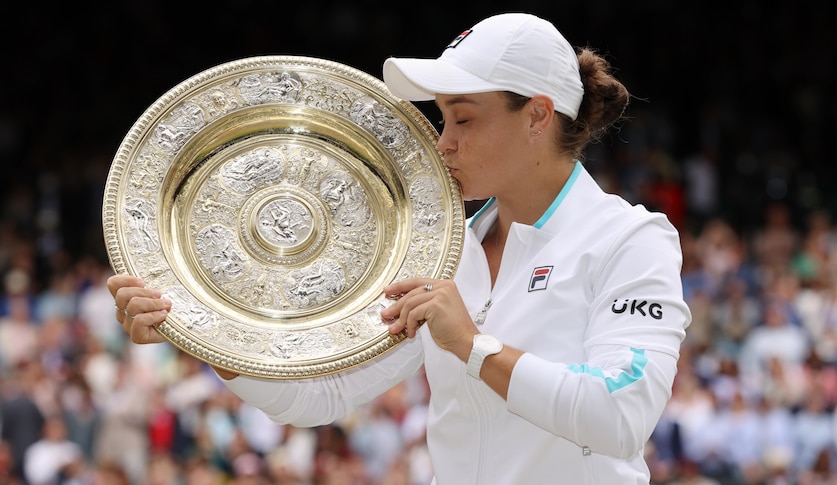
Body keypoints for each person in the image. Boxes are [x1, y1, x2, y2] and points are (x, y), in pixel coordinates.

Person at [108, 12, 691, 484]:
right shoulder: (445, 250)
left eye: (463, 119)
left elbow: (618, 416)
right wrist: (200, 328)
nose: (444, 144)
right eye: (442, 120)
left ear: (537, 116)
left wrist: (471, 345)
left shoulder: (630, 240)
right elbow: (323, 396)